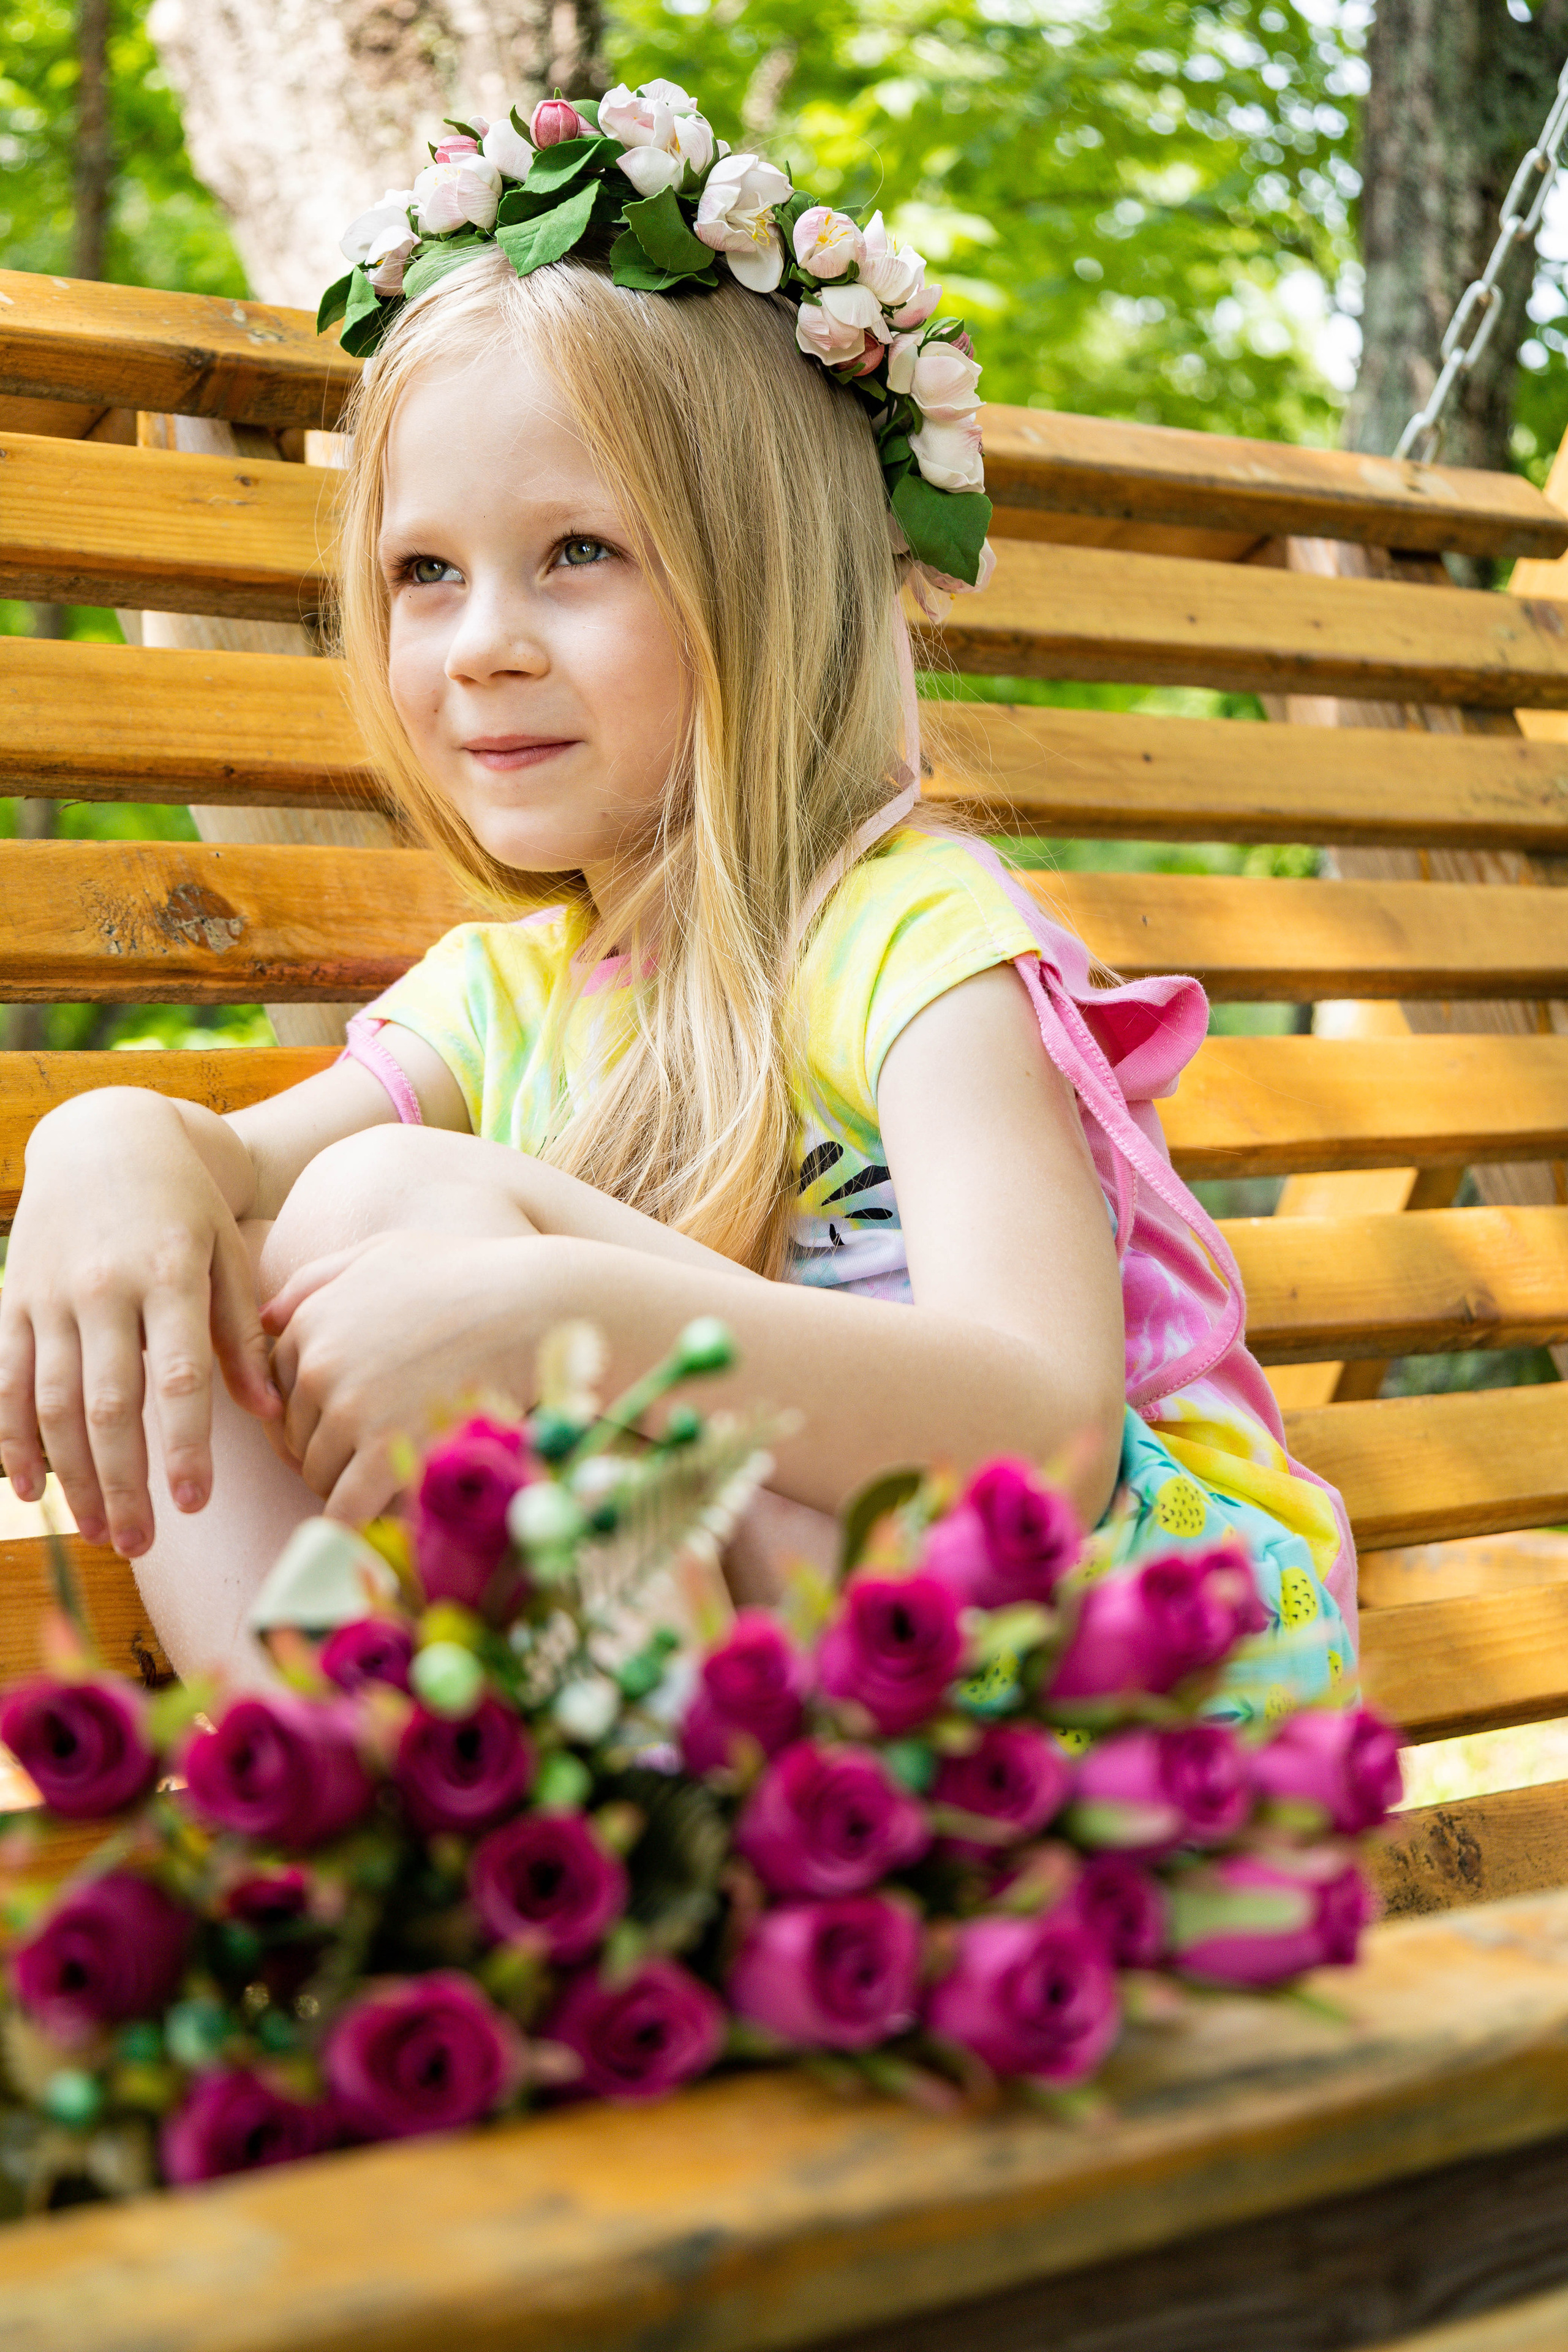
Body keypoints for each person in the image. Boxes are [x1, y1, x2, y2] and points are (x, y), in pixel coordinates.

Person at [0, 86, 1354, 1707]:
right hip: (759, 1674)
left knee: (385, 1209)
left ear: (760, 575)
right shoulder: (497, 995)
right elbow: (226, 1177)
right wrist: (102, 1148)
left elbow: (1045, 1444)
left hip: (1090, 1649)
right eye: (425, 572)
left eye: (577, 549)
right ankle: (356, 1788)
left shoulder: (909, 942)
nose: (482, 639)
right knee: (188, 1266)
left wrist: (568, 1314)